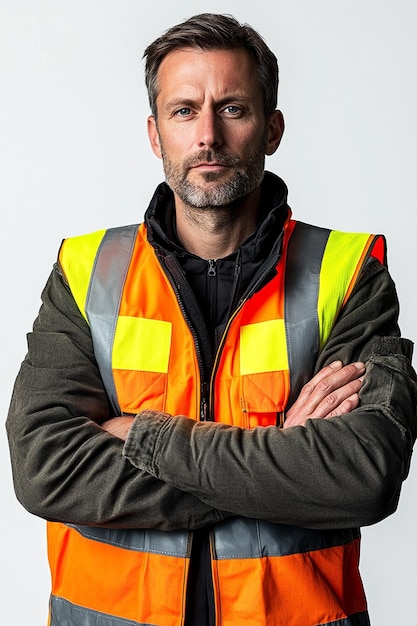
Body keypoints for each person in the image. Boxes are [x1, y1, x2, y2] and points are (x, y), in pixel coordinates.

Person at [6, 12, 417, 626]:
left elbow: (362, 474)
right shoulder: (86, 271)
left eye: (232, 109)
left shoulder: (349, 272)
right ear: (154, 134)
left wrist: (141, 434)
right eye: (183, 111)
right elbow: (44, 468)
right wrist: (280, 461)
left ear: (272, 129)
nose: (207, 136)